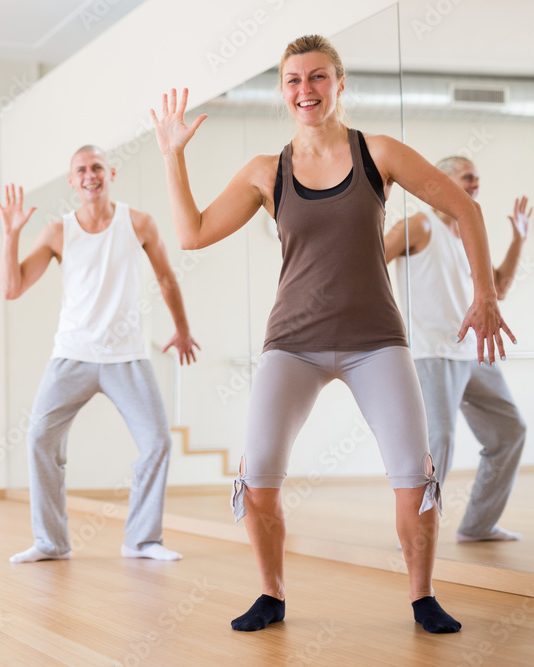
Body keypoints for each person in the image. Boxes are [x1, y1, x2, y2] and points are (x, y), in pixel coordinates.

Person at [151, 34, 513, 634]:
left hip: (377, 341)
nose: (305, 90)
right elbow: (190, 235)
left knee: (413, 478)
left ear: (339, 84)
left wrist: (485, 293)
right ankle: (271, 594)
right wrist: (172, 156)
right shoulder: (267, 172)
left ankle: (422, 597)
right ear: (283, 92)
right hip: (291, 342)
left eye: (317, 77)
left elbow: (465, 209)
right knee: (258, 475)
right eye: (294, 80)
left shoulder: (379, 153)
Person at [0, 145, 200, 564]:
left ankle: (142, 541)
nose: (90, 175)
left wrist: (182, 329)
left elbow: (166, 278)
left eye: (96, 168)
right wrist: (11, 234)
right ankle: (51, 542)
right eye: (81, 170)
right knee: (39, 439)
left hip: (127, 357)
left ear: (111, 173)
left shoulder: (139, 223)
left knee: (157, 442)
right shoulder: (57, 232)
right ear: (72, 181)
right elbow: (12, 288)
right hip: (71, 355)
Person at [385, 158, 528, 542]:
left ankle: (478, 526)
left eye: (478, 178)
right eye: (468, 177)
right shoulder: (420, 224)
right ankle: (415, 533)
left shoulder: (465, 234)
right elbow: (371, 262)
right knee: (439, 441)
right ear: (441, 180)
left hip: (473, 353)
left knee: (509, 431)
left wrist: (518, 239)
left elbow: (497, 288)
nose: (475, 184)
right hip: (434, 353)